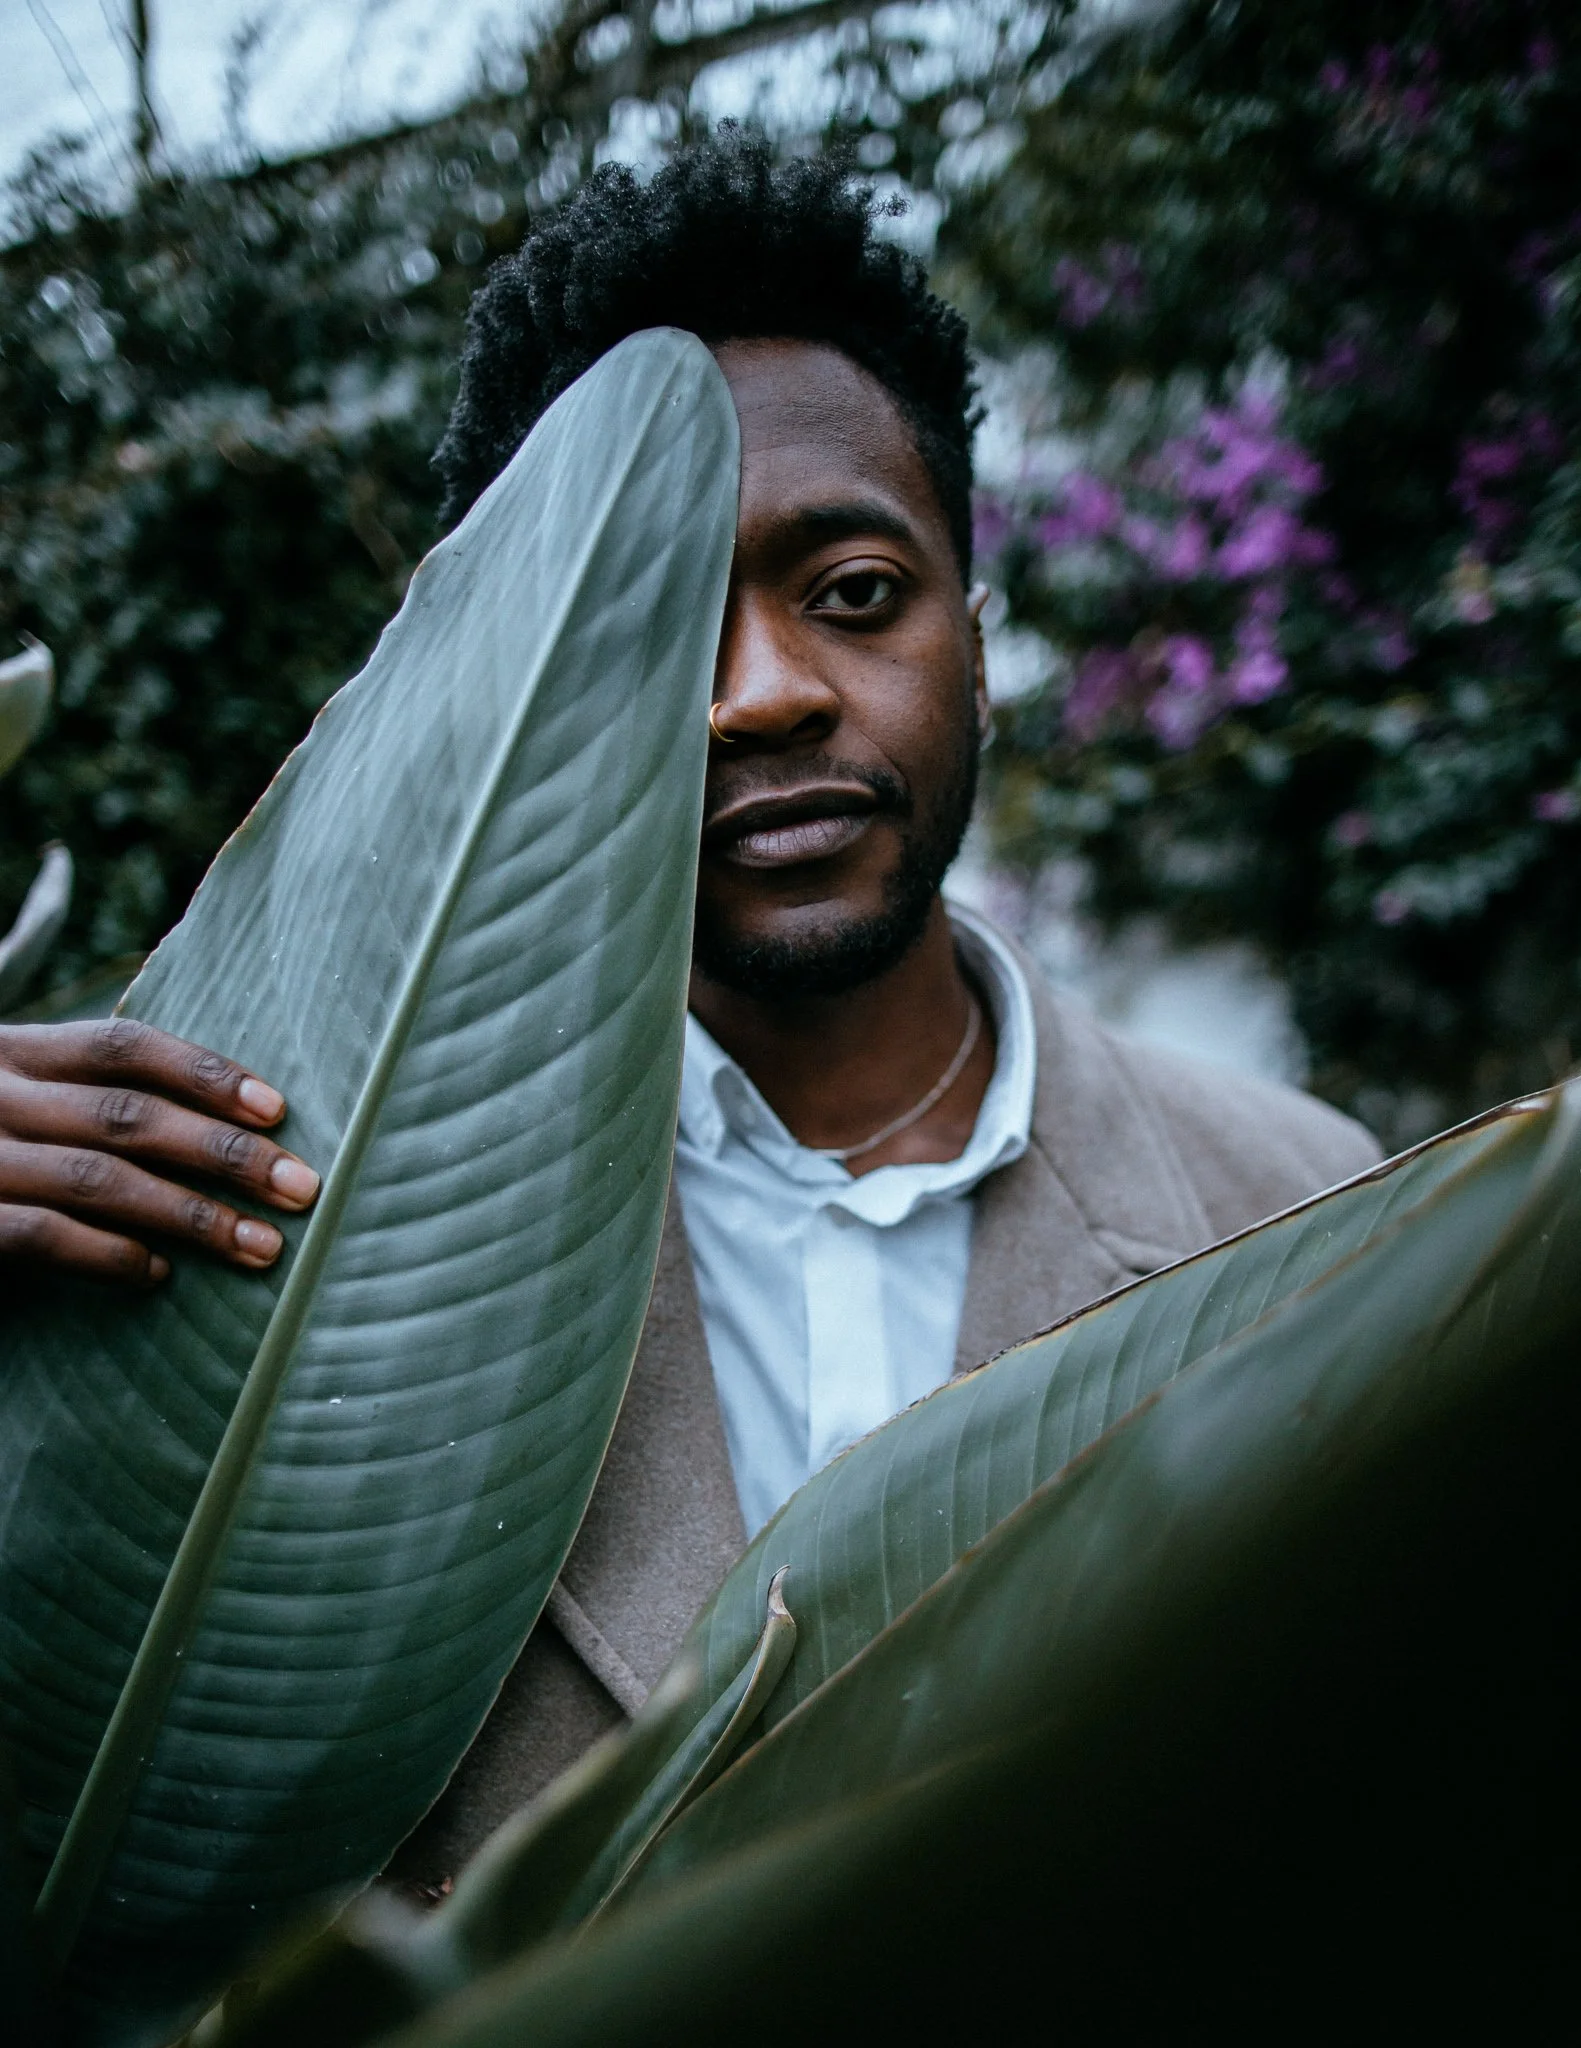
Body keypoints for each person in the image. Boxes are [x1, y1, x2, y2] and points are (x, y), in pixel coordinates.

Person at [0, 135, 1378, 1894]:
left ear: (976, 621)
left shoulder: (1313, 1208)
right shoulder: (262, 1211)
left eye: (855, 595)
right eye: (656, 633)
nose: (762, 695)